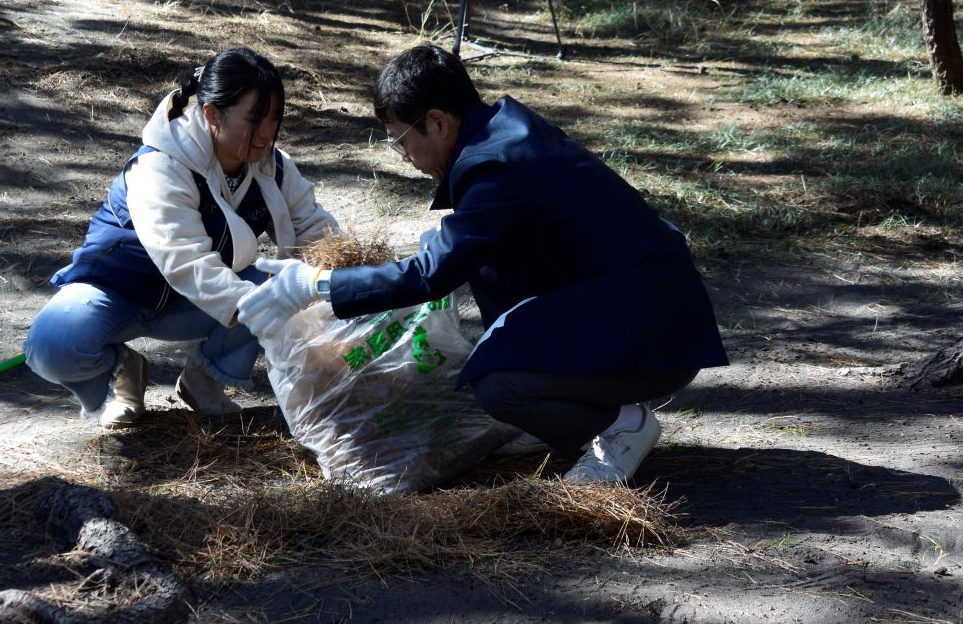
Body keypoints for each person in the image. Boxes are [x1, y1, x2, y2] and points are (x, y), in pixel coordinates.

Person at [237, 44, 728, 484]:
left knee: (497, 387)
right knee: (492, 303)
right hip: (644, 312)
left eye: (399, 139)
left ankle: (620, 426)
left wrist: (315, 286)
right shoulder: (506, 135)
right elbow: (471, 248)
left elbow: (432, 274)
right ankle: (560, 416)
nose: (404, 157)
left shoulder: (496, 168)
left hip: (653, 338)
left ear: (437, 122)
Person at [25, 47, 336, 429]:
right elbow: (186, 262)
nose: (267, 132)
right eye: (255, 119)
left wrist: (360, 281)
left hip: (191, 307)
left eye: (274, 118)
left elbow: (316, 231)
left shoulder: (273, 167)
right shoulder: (161, 166)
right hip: (117, 295)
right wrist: (268, 304)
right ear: (211, 114)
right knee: (51, 345)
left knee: (283, 286)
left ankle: (203, 382)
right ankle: (125, 373)